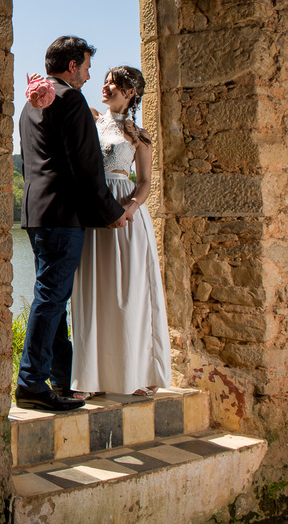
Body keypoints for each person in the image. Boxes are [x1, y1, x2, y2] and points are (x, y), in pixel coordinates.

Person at [16, 37, 134, 411]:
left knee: (52, 297)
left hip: (37, 213)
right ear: (71, 66)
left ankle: (63, 380)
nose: (87, 74)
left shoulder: (29, 105)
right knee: (51, 299)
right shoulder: (70, 99)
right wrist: (110, 212)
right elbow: (85, 166)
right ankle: (31, 383)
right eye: (85, 66)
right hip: (64, 214)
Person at [68, 65, 173, 397]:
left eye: (115, 83)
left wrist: (128, 209)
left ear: (132, 94)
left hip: (124, 213)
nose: (107, 86)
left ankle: (136, 373)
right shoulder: (93, 117)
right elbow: (69, 96)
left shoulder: (139, 136)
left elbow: (144, 184)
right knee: (92, 291)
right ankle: (87, 379)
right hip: (91, 210)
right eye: (106, 81)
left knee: (129, 294)